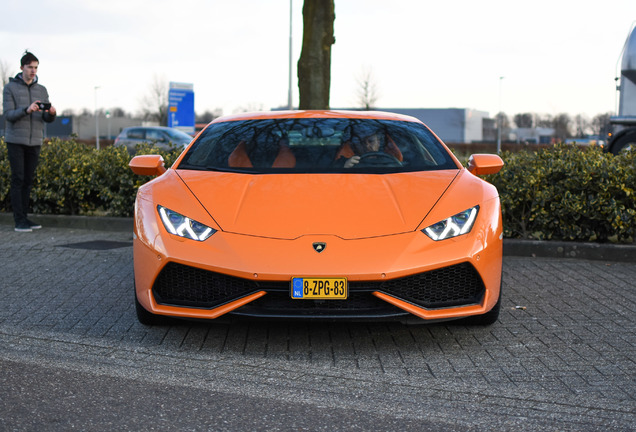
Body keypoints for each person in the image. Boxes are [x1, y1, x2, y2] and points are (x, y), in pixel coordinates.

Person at [3, 51, 56, 232]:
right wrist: (27, 110)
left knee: (28, 180)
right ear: (22, 68)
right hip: (16, 140)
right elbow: (8, 115)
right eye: (30, 67)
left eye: (35, 67)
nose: (33, 71)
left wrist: (52, 114)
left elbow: (46, 119)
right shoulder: (10, 88)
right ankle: (19, 221)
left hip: (35, 141)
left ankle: (25, 217)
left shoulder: (41, 90)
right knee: (18, 179)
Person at [334, 130, 402, 168]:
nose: (367, 145)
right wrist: (345, 166)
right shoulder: (346, 161)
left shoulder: (392, 160)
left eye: (371, 141)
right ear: (358, 145)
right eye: (362, 142)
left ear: (378, 143)